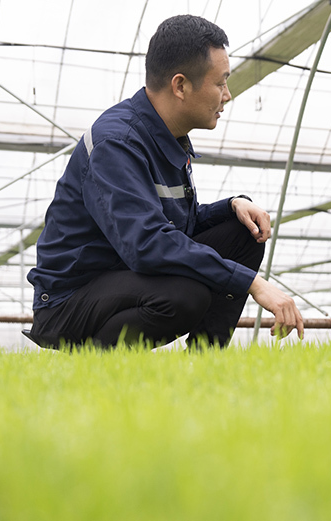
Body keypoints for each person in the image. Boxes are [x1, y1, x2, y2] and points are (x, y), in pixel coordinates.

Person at [26, 15, 303, 349]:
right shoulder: (118, 143)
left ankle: (205, 362)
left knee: (243, 231)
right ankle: (93, 365)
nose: (227, 95)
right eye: (221, 83)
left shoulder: (167, 137)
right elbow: (147, 244)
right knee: (185, 295)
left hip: (124, 275)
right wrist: (253, 284)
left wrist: (232, 206)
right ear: (181, 86)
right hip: (70, 300)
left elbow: (177, 226)